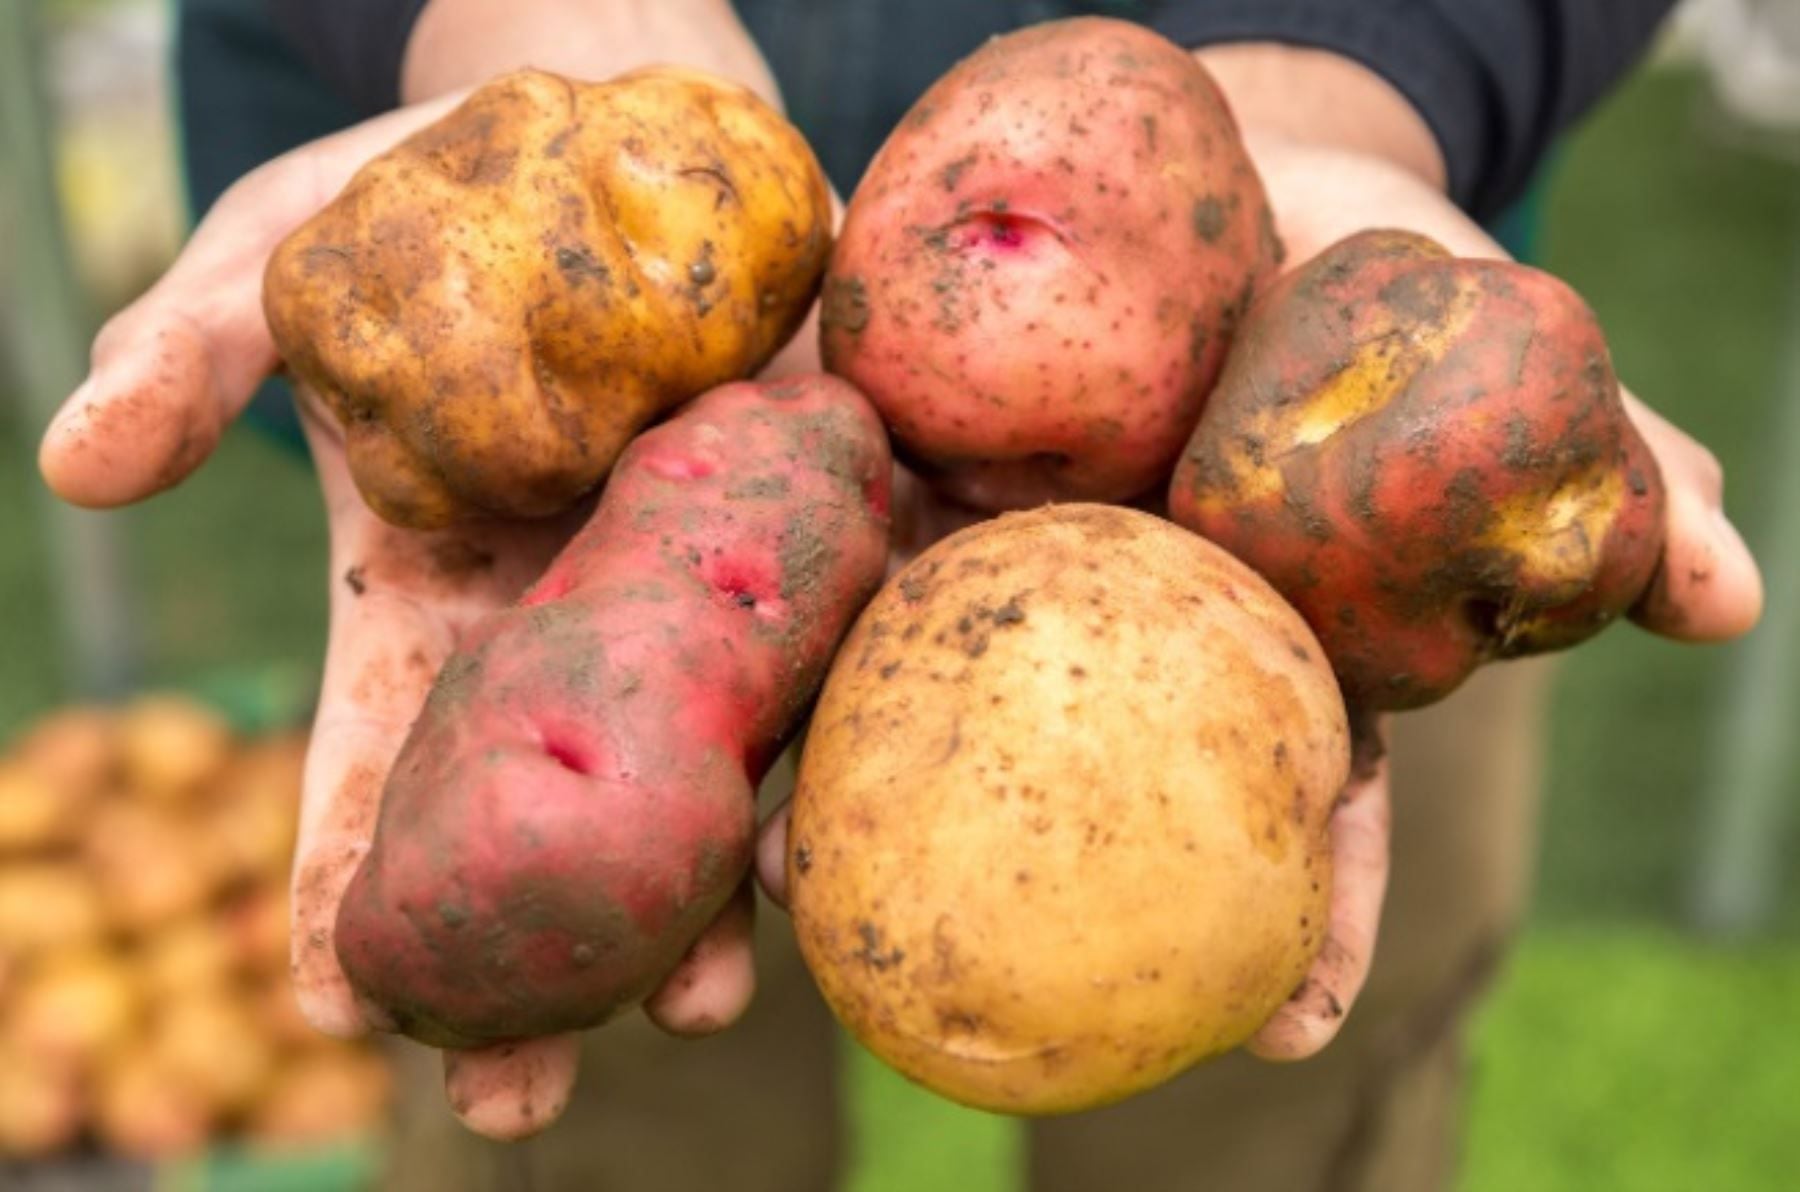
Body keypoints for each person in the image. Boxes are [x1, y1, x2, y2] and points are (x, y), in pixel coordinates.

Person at [40, 2, 1764, 1188]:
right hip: (576, 489)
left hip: (1303, 540)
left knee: (1279, 1094)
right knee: (607, 1105)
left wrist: (1355, 75)